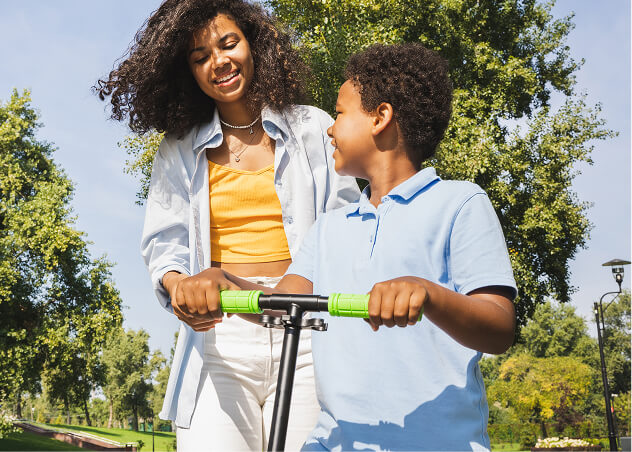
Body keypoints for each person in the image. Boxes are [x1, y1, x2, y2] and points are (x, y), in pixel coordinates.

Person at [173, 43, 518, 451]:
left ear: (381, 118)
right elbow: (283, 307)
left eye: (339, 113)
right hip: (334, 443)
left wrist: (429, 295)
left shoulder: (460, 204)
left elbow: (499, 327)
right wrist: (226, 285)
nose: (329, 129)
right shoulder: (329, 228)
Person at [96, 0, 360, 450]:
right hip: (220, 340)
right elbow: (165, 246)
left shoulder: (314, 127)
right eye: (200, 57)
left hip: (310, 335)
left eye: (228, 44)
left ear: (253, 43)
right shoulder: (178, 149)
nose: (218, 62)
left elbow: (348, 226)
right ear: (188, 73)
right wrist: (182, 286)